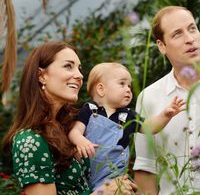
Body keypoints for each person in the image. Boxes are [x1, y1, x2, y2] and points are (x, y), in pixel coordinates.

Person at [2, 41, 136, 195]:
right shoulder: (30, 140)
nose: (79, 75)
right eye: (68, 66)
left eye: (79, 69)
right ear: (41, 76)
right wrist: (103, 192)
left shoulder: (72, 127)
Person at [68, 62, 185, 190]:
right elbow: (74, 132)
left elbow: (150, 128)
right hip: (85, 176)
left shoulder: (128, 116)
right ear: (101, 89)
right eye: (122, 84)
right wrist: (80, 140)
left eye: (129, 85)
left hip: (114, 179)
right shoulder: (90, 110)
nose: (128, 89)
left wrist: (165, 115)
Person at [133, 6, 200, 195]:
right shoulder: (149, 97)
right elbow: (146, 168)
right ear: (162, 46)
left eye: (192, 28)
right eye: (177, 34)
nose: (190, 38)